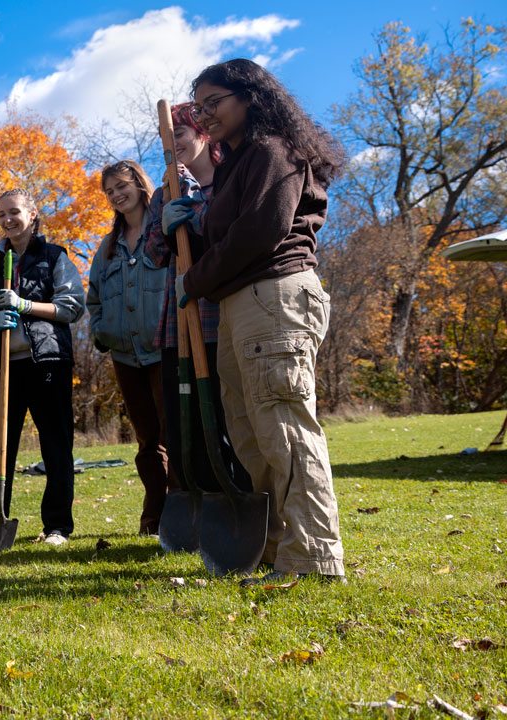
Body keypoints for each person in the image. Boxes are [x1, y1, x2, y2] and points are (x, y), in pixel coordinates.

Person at [177, 58, 347, 584]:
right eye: (198, 108)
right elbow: (221, 234)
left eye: (214, 103)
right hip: (236, 305)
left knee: (284, 428)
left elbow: (261, 231)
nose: (205, 117)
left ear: (249, 95)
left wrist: (194, 279)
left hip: (274, 294)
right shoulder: (237, 162)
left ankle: (315, 558)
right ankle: (276, 548)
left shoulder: (277, 151)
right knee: (250, 434)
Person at [0, 188, 83, 551]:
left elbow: (71, 306)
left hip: (47, 361)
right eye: (1, 214)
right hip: (4, 365)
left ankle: (58, 525)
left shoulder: (53, 257)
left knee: (56, 446)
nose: (7, 219)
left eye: (13, 212)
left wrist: (25, 304)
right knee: (0, 449)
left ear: (32, 214)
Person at [144, 103, 251, 497]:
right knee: (183, 420)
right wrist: (167, 226)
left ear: (203, 135)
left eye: (181, 136)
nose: (173, 146)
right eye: (165, 140)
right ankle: (205, 505)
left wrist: (198, 220)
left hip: (225, 317)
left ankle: (244, 499)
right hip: (182, 324)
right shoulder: (162, 194)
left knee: (230, 418)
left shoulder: (230, 183)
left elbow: (239, 242)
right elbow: (154, 256)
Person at [86, 160, 174, 535]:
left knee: (177, 436)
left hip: (164, 350)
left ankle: (182, 514)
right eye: (109, 191)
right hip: (125, 356)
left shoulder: (164, 233)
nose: (116, 195)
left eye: (121, 185)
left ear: (139, 184)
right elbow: (94, 300)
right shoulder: (108, 247)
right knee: (146, 442)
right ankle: (153, 519)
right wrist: (101, 332)